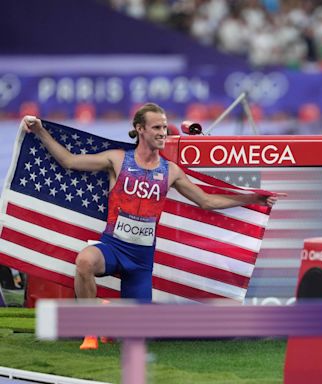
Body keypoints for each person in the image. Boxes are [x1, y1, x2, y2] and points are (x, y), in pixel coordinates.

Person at [21, 103, 282, 349]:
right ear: (140, 129)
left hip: (141, 262)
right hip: (113, 247)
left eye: (165, 127)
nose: (163, 133)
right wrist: (41, 130)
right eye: (157, 127)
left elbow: (206, 201)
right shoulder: (117, 159)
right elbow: (69, 161)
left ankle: (107, 315)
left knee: (136, 337)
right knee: (85, 261)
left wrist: (250, 197)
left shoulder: (171, 171)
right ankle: (91, 329)